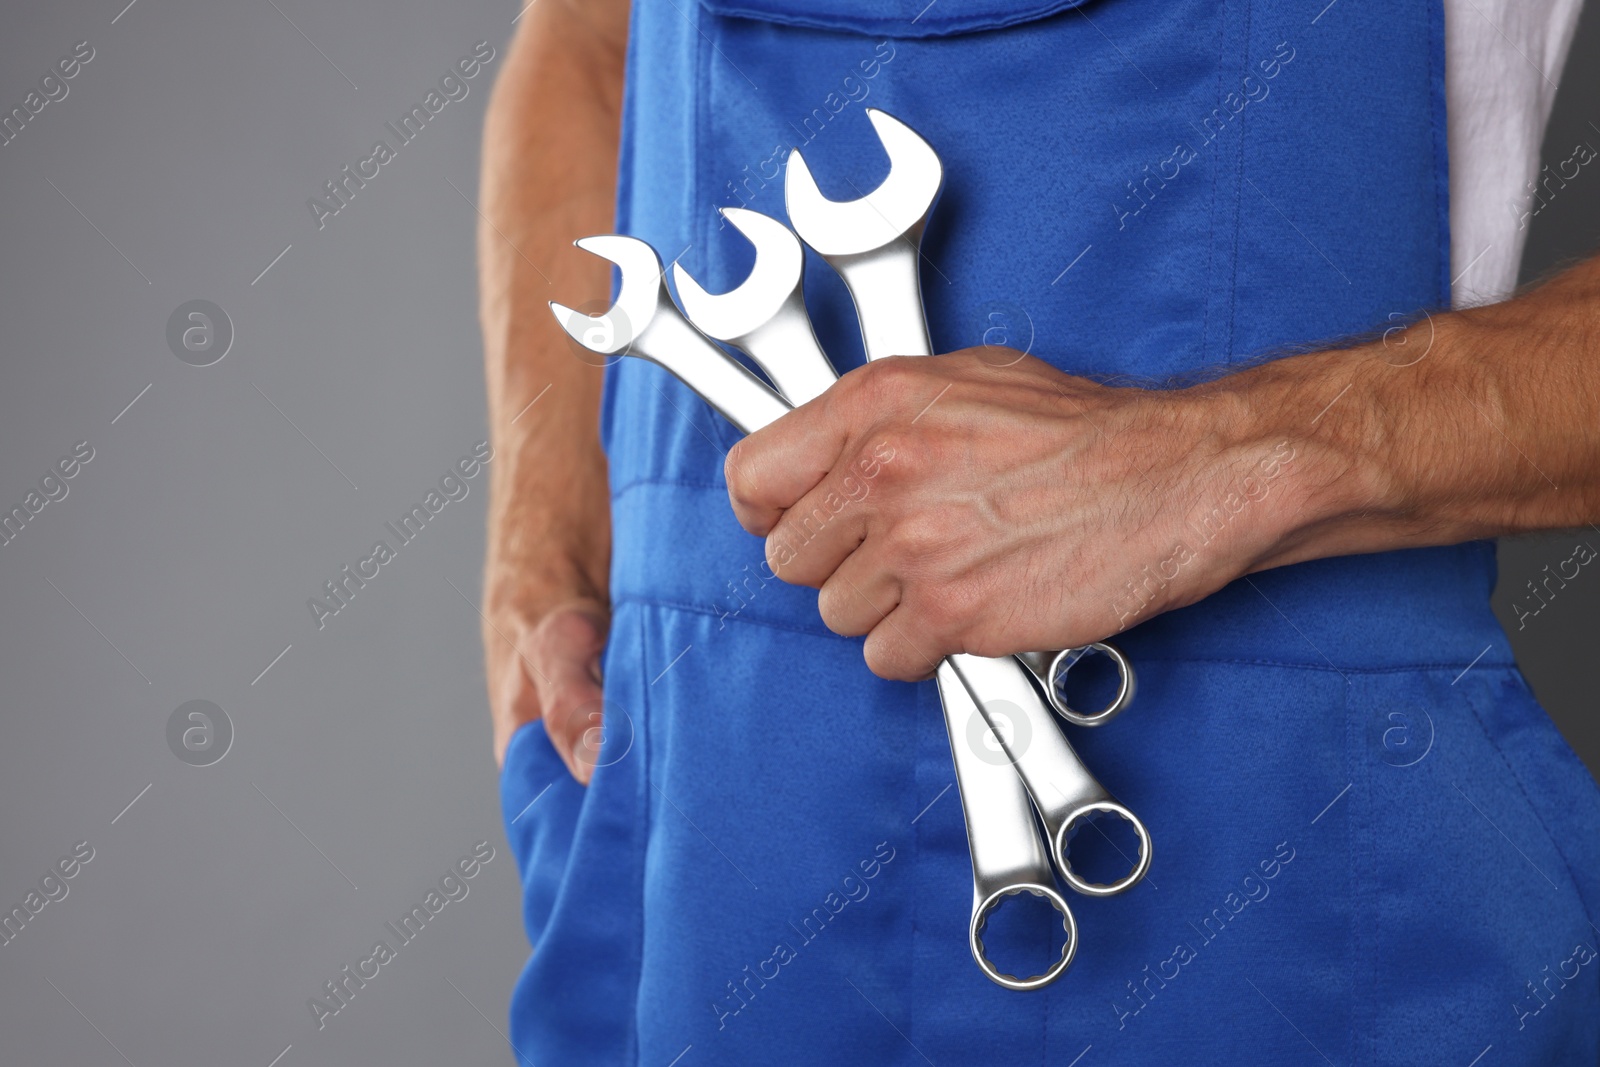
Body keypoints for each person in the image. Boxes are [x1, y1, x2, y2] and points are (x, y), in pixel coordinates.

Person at [477, 0, 1600, 1062]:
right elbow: (588, 41)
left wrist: (1218, 462)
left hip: (1272, 862)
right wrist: (540, 545)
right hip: (702, 836)